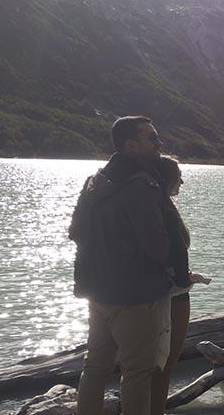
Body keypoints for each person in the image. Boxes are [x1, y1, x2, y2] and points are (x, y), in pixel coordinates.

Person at [69, 115, 172, 415]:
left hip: (96, 291)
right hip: (134, 295)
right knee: (138, 372)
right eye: (151, 138)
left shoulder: (95, 181)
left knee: (95, 367)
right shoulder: (140, 183)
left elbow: (75, 232)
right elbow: (157, 245)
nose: (159, 143)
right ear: (131, 145)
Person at [149, 156, 211, 415]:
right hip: (173, 296)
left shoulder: (151, 207)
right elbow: (171, 253)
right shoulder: (163, 210)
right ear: (166, 179)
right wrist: (185, 278)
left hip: (153, 294)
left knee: (149, 364)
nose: (182, 180)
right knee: (164, 364)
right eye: (178, 175)